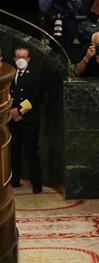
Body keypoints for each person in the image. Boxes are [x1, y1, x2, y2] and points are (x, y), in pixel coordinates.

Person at [9, 47, 43, 193]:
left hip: (28, 120)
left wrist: (19, 110)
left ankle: (37, 184)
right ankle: (14, 181)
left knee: (31, 153)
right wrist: (11, 111)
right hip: (12, 120)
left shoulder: (35, 75)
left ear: (29, 59)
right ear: (14, 59)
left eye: (24, 57)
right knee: (14, 152)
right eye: (18, 57)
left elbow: (35, 97)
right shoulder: (10, 74)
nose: (21, 59)